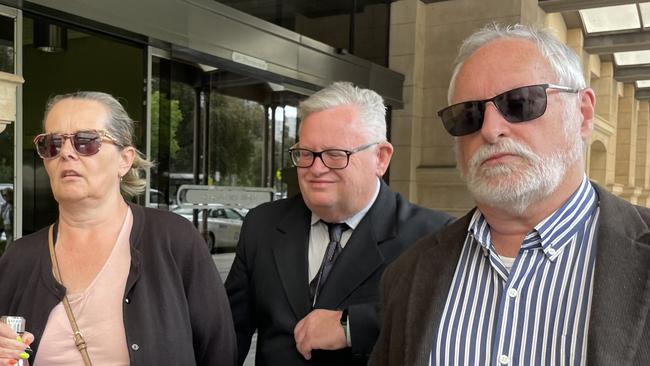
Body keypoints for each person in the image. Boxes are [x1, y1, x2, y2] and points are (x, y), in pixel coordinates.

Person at [369, 23, 650, 366]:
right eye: (469, 114)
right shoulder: (409, 274)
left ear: (583, 113)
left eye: (519, 103)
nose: (490, 129)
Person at [225, 81, 453, 366]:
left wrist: (353, 326)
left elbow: (453, 324)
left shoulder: (433, 237)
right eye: (306, 154)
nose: (316, 169)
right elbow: (226, 335)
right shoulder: (263, 224)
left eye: (335, 155)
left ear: (380, 158)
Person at [0, 92, 236, 365]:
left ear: (125, 160)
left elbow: (220, 352)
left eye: (86, 142)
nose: (66, 153)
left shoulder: (173, 240)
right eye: (52, 144)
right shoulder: (19, 257)